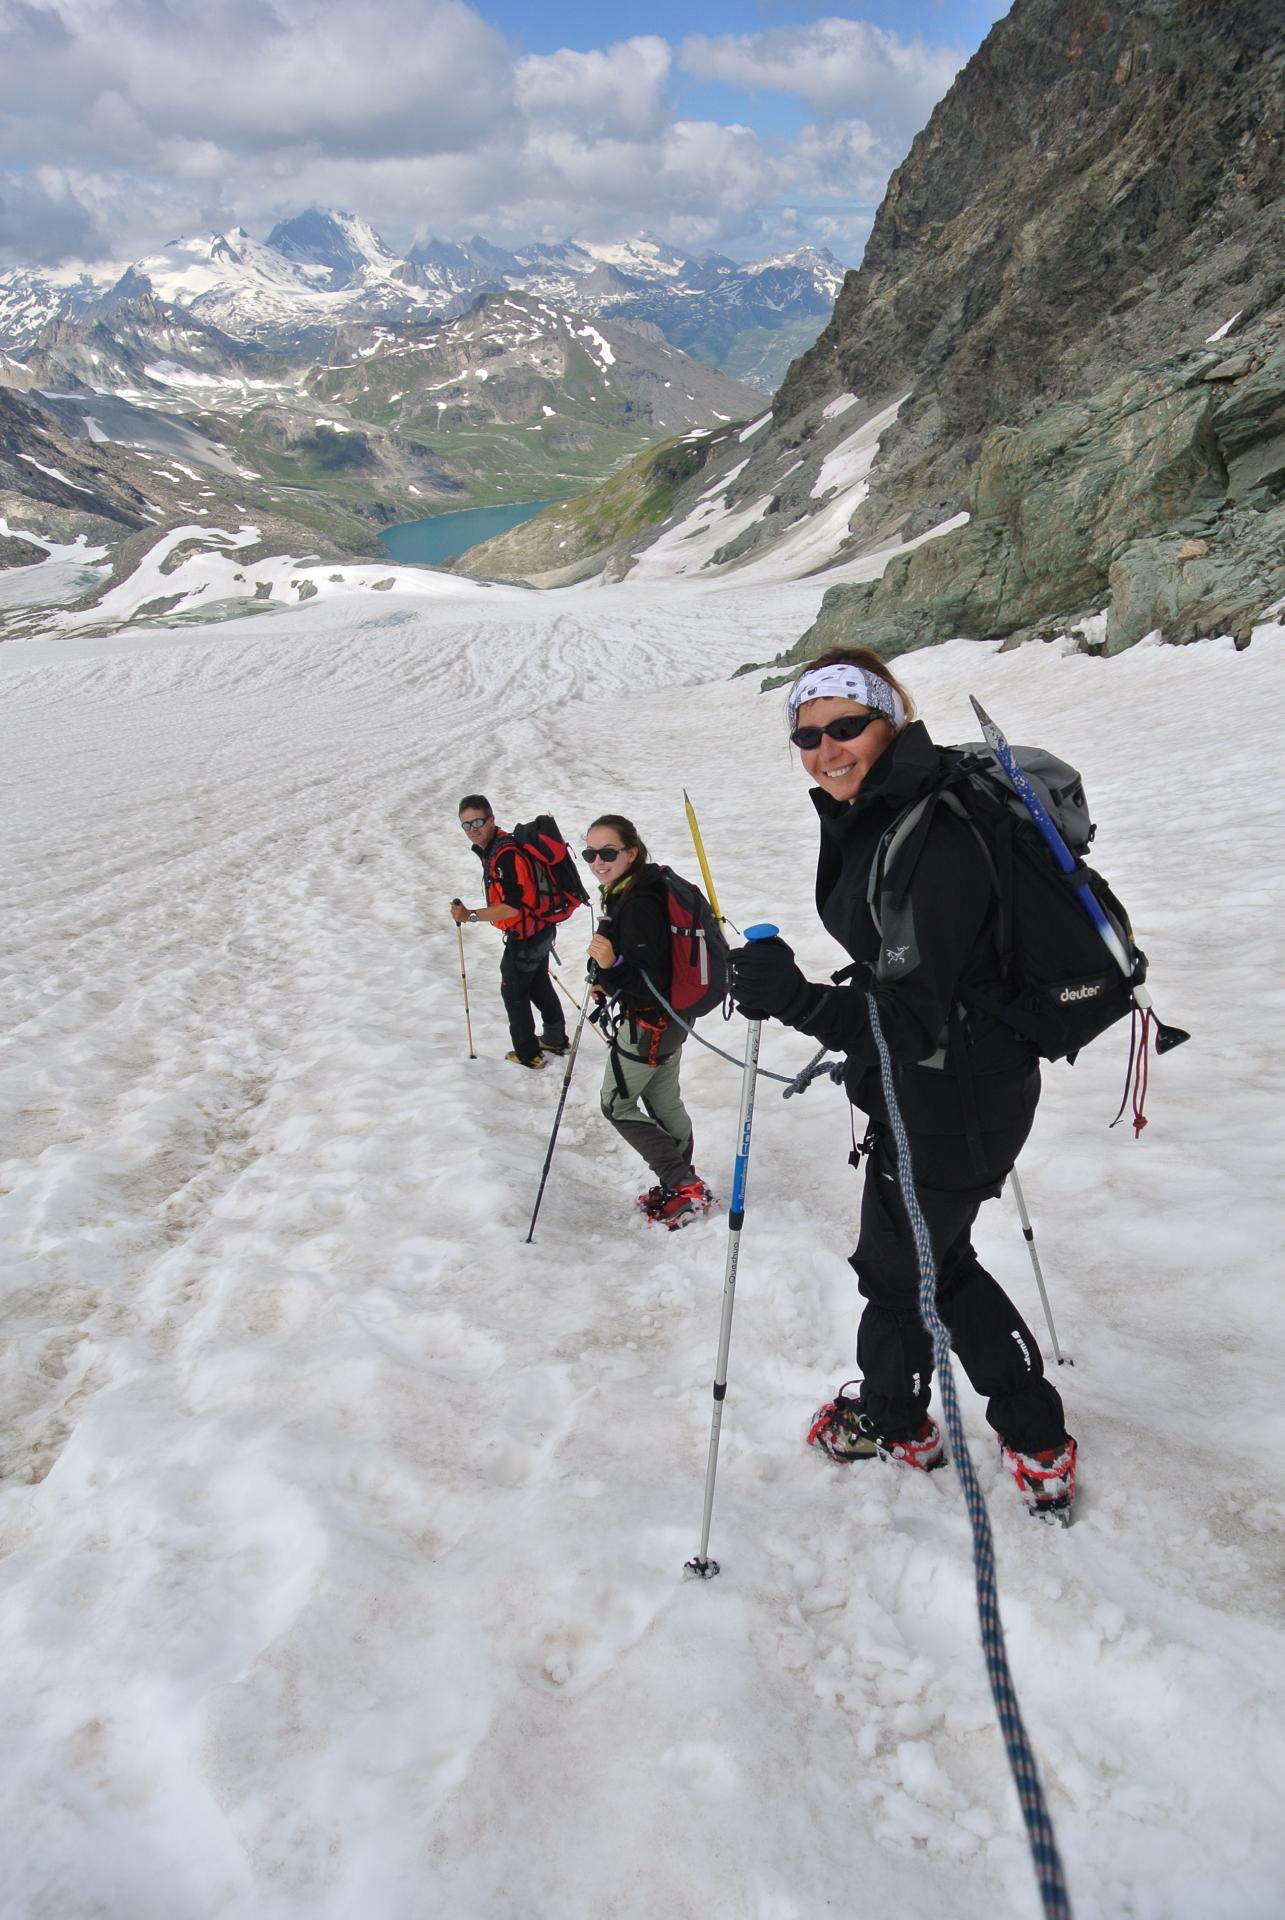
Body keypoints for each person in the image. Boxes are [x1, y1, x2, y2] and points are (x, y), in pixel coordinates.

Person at [727, 647, 1077, 1517]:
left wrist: (797, 1000)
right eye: (807, 734)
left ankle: (921, 1425)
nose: (825, 749)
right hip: (956, 1087)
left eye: (847, 726)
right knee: (928, 1258)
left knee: (908, 1273)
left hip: (947, 1098)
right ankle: (1016, 1435)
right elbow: (919, 976)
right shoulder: (893, 808)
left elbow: (908, 1017)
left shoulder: (931, 831)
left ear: (892, 719)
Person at [583, 814, 711, 1229]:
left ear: (631, 852)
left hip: (650, 1023)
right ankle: (681, 1186)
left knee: (615, 1104)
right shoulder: (638, 889)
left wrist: (610, 967)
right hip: (673, 1020)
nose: (598, 862)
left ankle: (682, 1181)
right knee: (662, 1101)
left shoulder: (638, 903)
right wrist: (609, 976)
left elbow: (646, 979)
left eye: (607, 852)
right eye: (590, 854)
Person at [450, 794, 569, 1070]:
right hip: (540, 930)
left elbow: (511, 908)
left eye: (478, 822)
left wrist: (470, 916)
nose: (473, 829)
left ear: (491, 819)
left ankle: (528, 1054)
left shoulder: (505, 855)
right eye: (466, 825)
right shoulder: (500, 847)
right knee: (538, 984)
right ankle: (554, 1039)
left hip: (526, 937)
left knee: (514, 992)